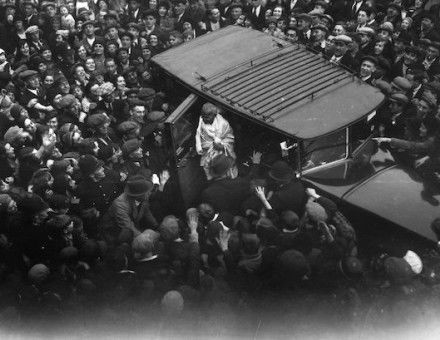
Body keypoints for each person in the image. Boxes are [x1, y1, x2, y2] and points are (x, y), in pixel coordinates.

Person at [195, 103, 236, 180]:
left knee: (225, 172)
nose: (205, 119)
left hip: (221, 155)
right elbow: (200, 138)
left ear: (214, 115)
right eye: (203, 116)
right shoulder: (201, 122)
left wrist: (222, 146)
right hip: (207, 155)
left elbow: (230, 139)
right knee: (209, 172)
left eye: (208, 117)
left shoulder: (223, 124)